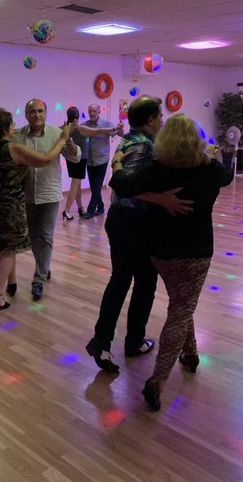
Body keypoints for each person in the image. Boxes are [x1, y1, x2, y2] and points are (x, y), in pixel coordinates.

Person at [109, 114, 233, 410]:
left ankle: (190, 354)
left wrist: (117, 162)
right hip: (196, 253)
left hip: (161, 251)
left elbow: (120, 184)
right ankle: (157, 380)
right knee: (181, 307)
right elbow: (227, 176)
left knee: (181, 301)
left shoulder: (158, 168)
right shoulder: (209, 169)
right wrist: (211, 154)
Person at [85, 96, 168, 371]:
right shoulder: (145, 145)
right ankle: (132, 342)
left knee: (120, 279)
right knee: (144, 282)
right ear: (151, 120)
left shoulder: (127, 140)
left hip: (120, 219)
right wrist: (164, 200)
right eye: (160, 116)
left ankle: (102, 342)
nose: (162, 121)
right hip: (135, 222)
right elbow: (126, 186)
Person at [0, 98, 81, 301]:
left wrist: (67, 139)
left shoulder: (56, 133)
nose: (37, 115)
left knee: (45, 236)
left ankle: (38, 279)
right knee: (32, 238)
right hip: (25, 194)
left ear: (46, 113)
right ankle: (43, 265)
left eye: (40, 111)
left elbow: (76, 157)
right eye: (32, 111)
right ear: (26, 115)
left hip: (48, 193)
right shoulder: (17, 136)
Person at [79, 103, 123, 219]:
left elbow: (120, 134)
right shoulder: (84, 125)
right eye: (90, 111)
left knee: (97, 186)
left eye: (94, 111)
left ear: (99, 112)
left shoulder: (107, 124)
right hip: (89, 160)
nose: (92, 113)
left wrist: (120, 128)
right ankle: (101, 207)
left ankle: (90, 211)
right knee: (94, 186)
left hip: (102, 159)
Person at [62, 106, 87, 220]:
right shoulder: (78, 128)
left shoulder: (66, 128)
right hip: (79, 158)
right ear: (77, 116)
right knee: (75, 184)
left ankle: (80, 208)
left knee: (77, 185)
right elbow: (97, 131)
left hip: (71, 158)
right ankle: (66, 210)